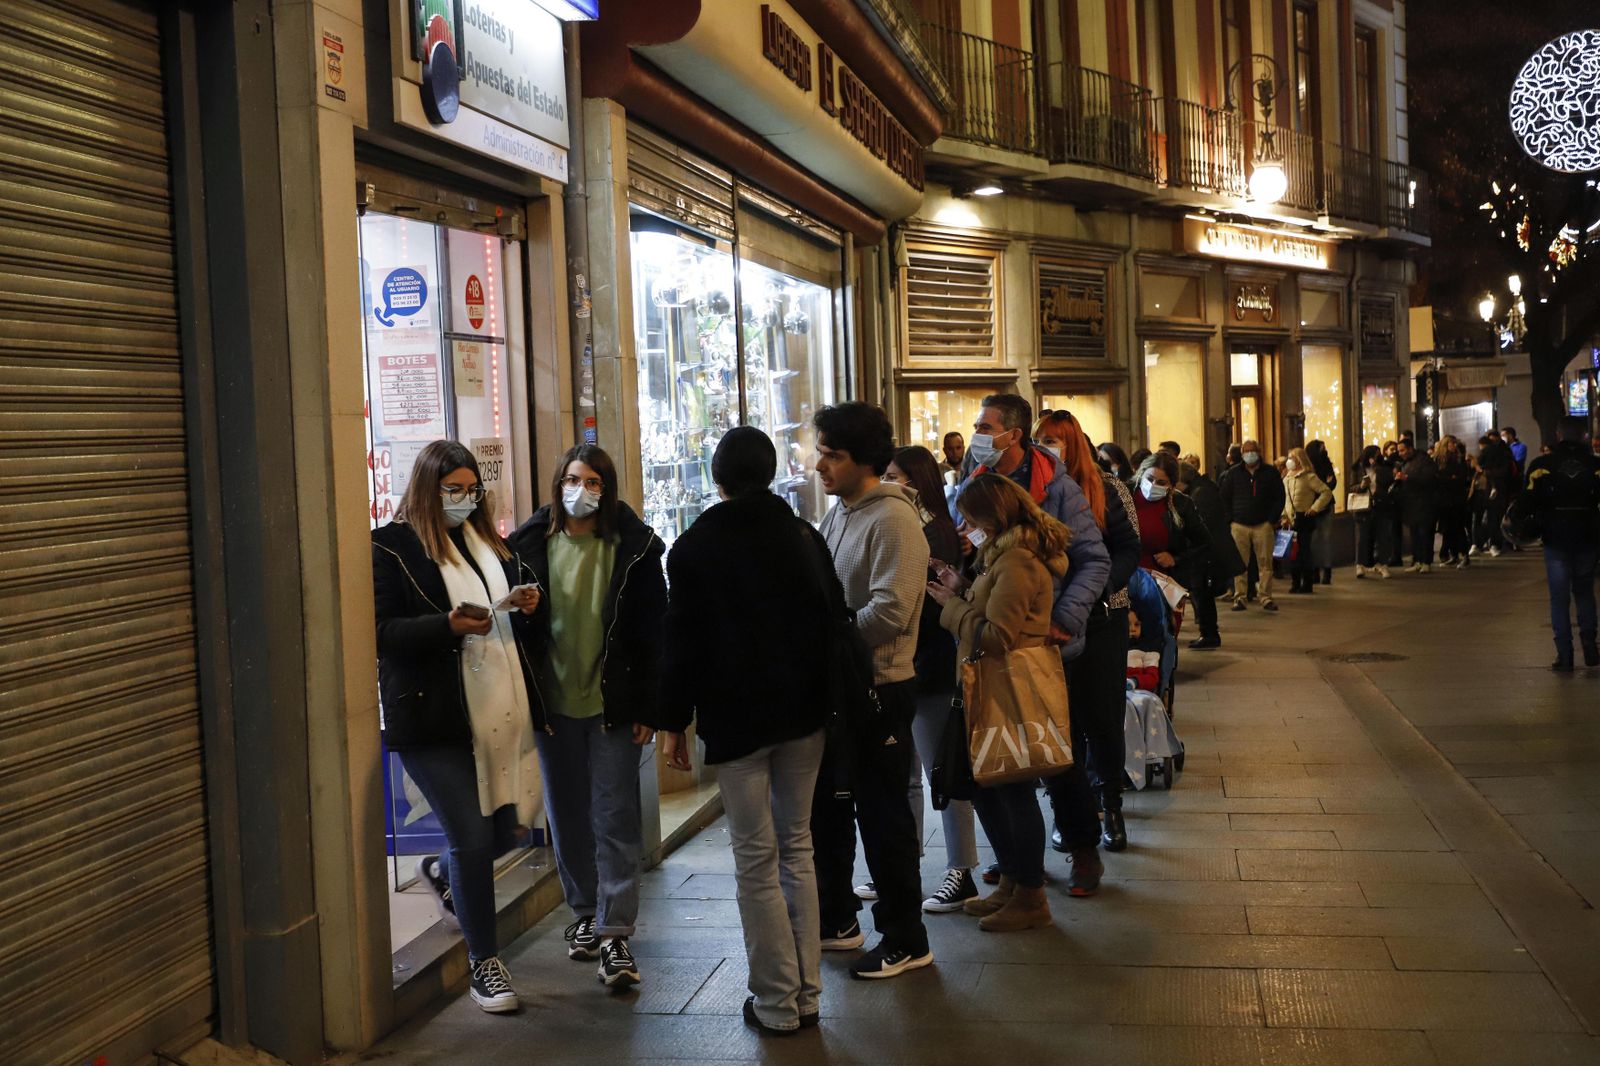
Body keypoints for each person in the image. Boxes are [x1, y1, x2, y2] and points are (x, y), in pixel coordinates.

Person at [655, 428, 833, 1034]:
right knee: (799, 848)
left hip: (736, 721)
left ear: (718, 479)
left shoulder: (694, 547)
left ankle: (777, 1003)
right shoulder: (804, 536)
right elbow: (830, 621)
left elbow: (681, 643)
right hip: (804, 715)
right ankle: (807, 996)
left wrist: (672, 722)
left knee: (755, 859)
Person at [372, 440, 543, 1013]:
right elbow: (383, 633)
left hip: (493, 708)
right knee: (472, 836)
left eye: (472, 490)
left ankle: (443, 873)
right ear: (427, 489)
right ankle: (485, 963)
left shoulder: (485, 543)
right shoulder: (390, 547)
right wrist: (445, 625)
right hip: (430, 715)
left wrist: (521, 600)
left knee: (502, 833)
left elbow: (502, 603)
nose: (464, 501)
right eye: (453, 491)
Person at [510, 445, 666, 991]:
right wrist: (523, 614)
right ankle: (583, 914)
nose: (582, 489)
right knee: (569, 815)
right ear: (557, 484)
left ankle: (616, 932)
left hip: (612, 705)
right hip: (553, 706)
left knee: (615, 815)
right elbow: (519, 634)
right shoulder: (527, 547)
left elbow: (652, 632)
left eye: (594, 481)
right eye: (573, 478)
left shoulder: (636, 548)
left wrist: (650, 706)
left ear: (608, 487)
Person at [960, 397, 1111, 886]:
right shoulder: (973, 479)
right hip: (995, 640)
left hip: (1046, 644)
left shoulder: (1057, 487)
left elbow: (1095, 559)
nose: (978, 434)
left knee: (1054, 755)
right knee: (1006, 754)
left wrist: (1066, 617)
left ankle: (1083, 849)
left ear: (1014, 434)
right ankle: (1019, 862)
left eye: (985, 426)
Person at [810, 402, 934, 980]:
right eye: (821, 452)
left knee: (884, 819)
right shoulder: (842, 512)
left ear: (864, 460)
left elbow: (890, 609)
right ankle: (838, 919)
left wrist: (831, 641)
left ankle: (906, 937)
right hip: (843, 687)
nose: (819, 465)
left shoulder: (893, 519)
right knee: (835, 811)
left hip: (881, 686)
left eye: (832, 454)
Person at [926, 474, 1072, 932]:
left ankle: (1031, 897)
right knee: (990, 787)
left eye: (970, 518)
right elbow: (991, 611)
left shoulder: (1018, 561)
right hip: (989, 688)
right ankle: (1012, 883)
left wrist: (952, 604)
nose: (965, 526)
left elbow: (997, 636)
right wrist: (964, 586)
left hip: (1008, 688)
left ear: (992, 516)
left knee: (1012, 788)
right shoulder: (999, 557)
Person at [1034, 412, 1140, 856]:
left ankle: (1109, 803)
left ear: (1073, 442)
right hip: (1050, 620)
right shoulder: (1033, 487)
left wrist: (1099, 588)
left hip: (1103, 617)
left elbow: (1129, 547)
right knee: (1063, 718)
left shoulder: (1108, 487)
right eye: (1041, 439)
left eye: (1054, 440)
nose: (1046, 447)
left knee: (1102, 714)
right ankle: (1069, 813)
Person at [882, 446, 980, 912]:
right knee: (908, 775)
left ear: (917, 481)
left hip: (932, 664)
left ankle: (960, 871)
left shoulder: (936, 531)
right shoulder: (911, 524)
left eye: (895, 475)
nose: (888, 483)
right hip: (909, 664)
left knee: (941, 772)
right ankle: (904, 864)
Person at [1510, 418, 1600, 672]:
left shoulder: (1542, 466)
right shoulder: (1595, 466)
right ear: (1584, 436)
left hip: (1555, 537)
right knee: (1584, 593)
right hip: (1587, 536)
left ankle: (1565, 654)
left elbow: (1527, 501)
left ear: (1559, 435)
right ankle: (1590, 646)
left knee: (1559, 598)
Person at [1176, 458, 1243, 647]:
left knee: (1201, 592)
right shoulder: (1202, 488)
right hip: (1207, 552)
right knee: (1200, 592)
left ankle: (1209, 633)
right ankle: (1208, 632)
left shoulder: (1201, 493)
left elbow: (1200, 526)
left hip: (1206, 554)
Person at [1220, 439, 1285, 611]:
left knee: (1265, 563)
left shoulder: (1270, 472)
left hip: (1263, 524)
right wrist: (1230, 519)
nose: (1250, 454)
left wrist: (1271, 520)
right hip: (1239, 525)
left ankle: (1265, 597)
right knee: (1239, 563)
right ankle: (1240, 597)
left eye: (1252, 450)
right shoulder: (1234, 474)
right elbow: (1224, 497)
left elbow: (1279, 497)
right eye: (1246, 451)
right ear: (1242, 454)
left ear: (1259, 451)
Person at [1282, 447, 1334, 595]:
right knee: (1293, 553)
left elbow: (1326, 492)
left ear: (1300, 459)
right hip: (1290, 521)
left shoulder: (1309, 477)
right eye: (1289, 457)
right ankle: (1295, 582)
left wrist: (1315, 508)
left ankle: (1307, 583)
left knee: (1304, 551)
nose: (1289, 460)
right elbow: (1284, 499)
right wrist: (1283, 516)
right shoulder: (1286, 478)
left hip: (1304, 518)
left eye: (1292, 457)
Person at [1393, 438, 1438, 573]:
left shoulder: (1423, 460)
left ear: (1410, 448)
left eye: (1402, 450)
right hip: (1410, 504)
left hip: (1424, 503)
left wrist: (1407, 478)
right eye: (1399, 451)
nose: (1400, 453)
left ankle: (1426, 561)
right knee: (1415, 534)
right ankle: (1417, 560)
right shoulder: (1405, 462)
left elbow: (1429, 478)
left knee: (1425, 533)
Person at [1351, 445, 1395, 579]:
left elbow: (1389, 481)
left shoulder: (1383, 468)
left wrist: (1378, 469)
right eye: (1375, 454)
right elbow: (1351, 486)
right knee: (1362, 537)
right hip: (1363, 507)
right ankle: (1360, 565)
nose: (1378, 456)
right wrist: (1361, 486)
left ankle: (1383, 564)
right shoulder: (1358, 469)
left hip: (1380, 505)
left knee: (1382, 536)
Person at [1435, 438, 1474, 569]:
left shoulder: (1458, 460)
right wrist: (1449, 478)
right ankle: (1454, 555)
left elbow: (1460, 478)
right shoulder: (1440, 461)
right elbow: (1439, 478)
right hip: (1445, 500)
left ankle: (1464, 555)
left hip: (1456, 500)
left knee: (1458, 528)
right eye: (1451, 443)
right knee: (1448, 529)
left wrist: (1448, 479)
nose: (1454, 445)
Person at [1305, 440, 1339, 584]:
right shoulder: (1308, 468)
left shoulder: (1326, 464)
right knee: (1313, 541)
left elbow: (1332, 483)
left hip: (1326, 507)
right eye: (1321, 449)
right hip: (1310, 508)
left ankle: (1326, 571)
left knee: (1326, 539)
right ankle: (1315, 570)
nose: (1324, 452)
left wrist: (1324, 486)